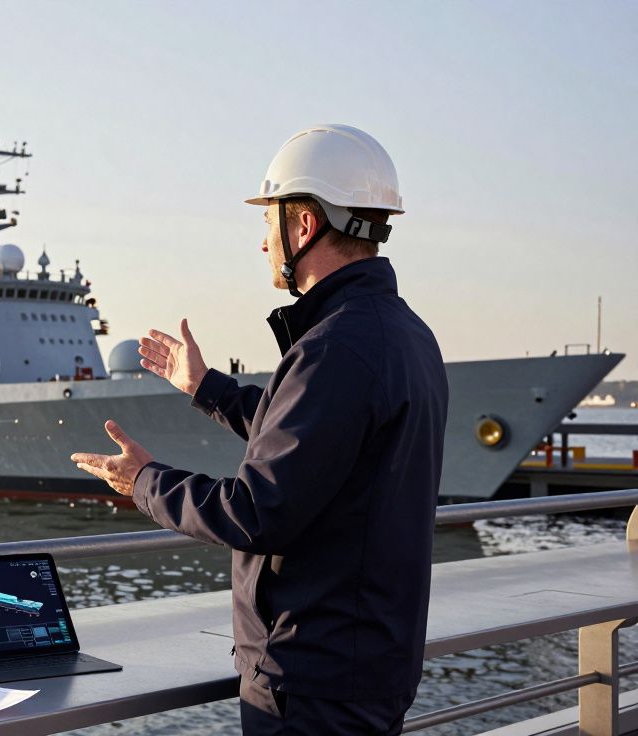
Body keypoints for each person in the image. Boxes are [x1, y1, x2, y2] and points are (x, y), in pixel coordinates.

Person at [71, 124, 448, 735]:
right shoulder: (406, 335)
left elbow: (255, 513)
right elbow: (318, 442)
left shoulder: (334, 348)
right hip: (368, 664)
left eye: (268, 224)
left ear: (304, 226)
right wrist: (206, 387)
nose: (262, 245)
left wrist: (143, 480)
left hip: (312, 682)